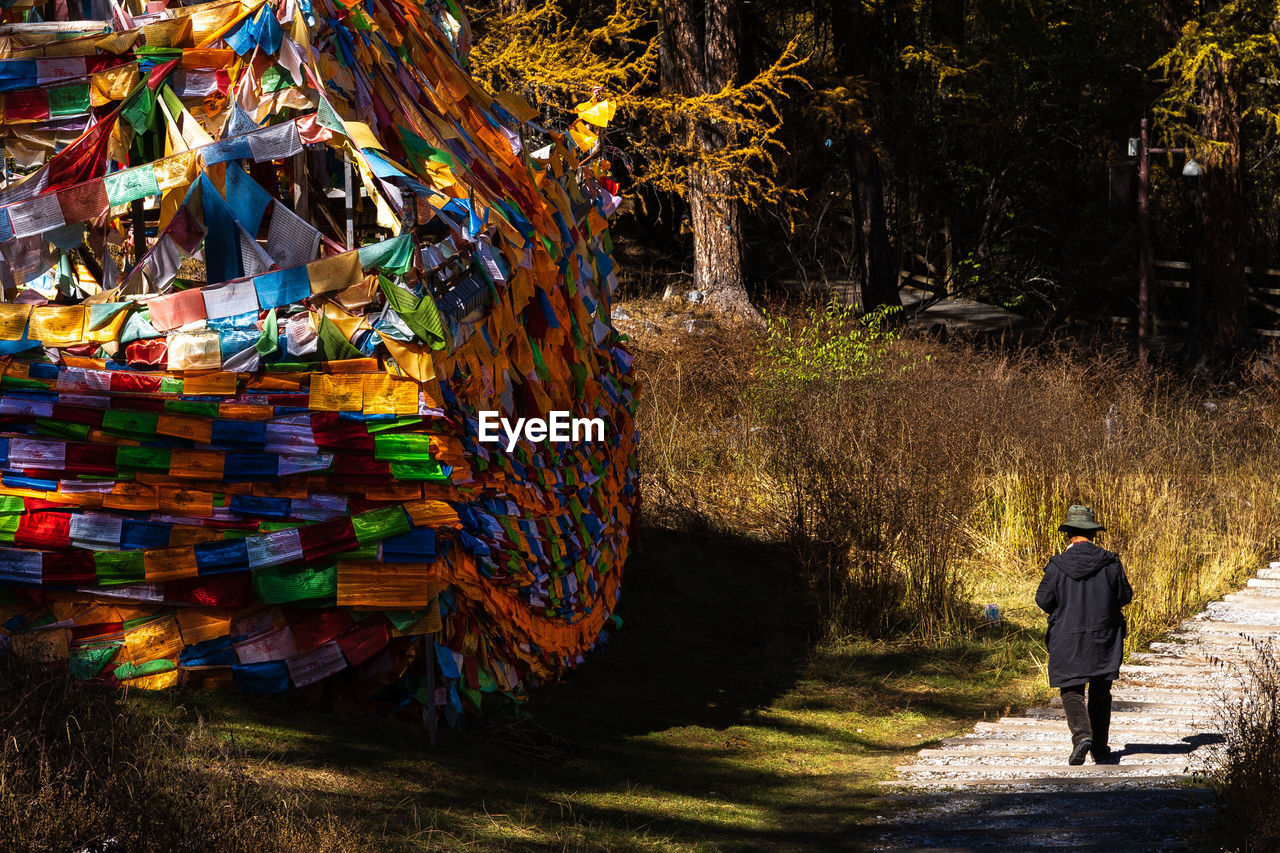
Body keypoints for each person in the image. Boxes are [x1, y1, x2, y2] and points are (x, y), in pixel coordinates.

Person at [1035, 504, 1133, 765]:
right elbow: (1125, 597)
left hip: (1067, 637)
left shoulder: (1057, 565)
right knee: (1101, 691)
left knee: (1071, 689)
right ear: (1093, 533)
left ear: (1069, 534)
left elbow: (1043, 600)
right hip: (1104, 637)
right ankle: (1099, 748)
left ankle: (1081, 737)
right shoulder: (1110, 562)